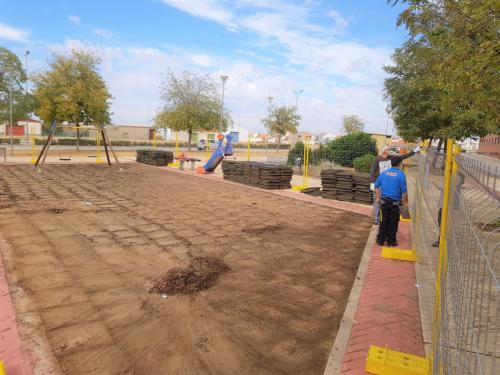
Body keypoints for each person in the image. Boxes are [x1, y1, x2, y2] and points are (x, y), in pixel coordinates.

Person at [370, 145, 420, 224]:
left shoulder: (391, 158)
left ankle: (387, 217)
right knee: (377, 199)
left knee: (386, 201)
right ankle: (376, 217)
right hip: (379, 182)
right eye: (388, 149)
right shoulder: (377, 159)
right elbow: (372, 171)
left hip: (388, 182)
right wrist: (372, 183)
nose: (389, 150)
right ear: (384, 151)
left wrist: (414, 151)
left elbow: (403, 156)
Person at [374, 157, 408, 247]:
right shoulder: (401, 175)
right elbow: (404, 192)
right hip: (395, 204)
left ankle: (380, 240)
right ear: (400, 164)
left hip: (383, 203)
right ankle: (391, 241)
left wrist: (378, 198)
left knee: (383, 221)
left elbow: (376, 186)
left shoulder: (384, 173)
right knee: (393, 223)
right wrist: (404, 203)